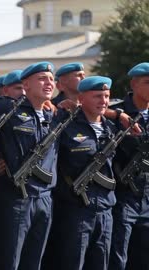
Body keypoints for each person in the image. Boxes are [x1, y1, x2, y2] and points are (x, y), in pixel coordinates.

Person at [0, 61, 58, 270]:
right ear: (26, 85)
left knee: (34, 260)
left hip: (45, 198)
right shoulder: (8, 108)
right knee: (9, 260)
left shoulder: (54, 114)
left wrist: (118, 114)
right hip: (17, 198)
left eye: (50, 79)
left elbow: (93, 110)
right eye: (41, 79)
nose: (48, 83)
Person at [54, 76, 117, 270]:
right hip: (77, 209)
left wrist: (120, 114)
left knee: (100, 263)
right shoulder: (66, 126)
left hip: (106, 209)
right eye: (97, 96)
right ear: (81, 98)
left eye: (106, 96)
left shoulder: (111, 128)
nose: (103, 101)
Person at [109, 62, 149, 270]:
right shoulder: (117, 113)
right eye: (147, 83)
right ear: (134, 84)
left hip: (147, 194)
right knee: (118, 257)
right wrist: (117, 115)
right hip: (123, 196)